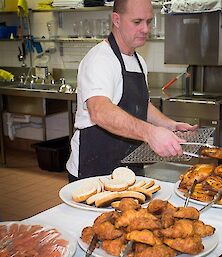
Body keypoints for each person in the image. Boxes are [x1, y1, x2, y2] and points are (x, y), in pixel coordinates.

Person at [66, 0, 197, 182]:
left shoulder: (138, 61)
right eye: (137, 22)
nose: (145, 29)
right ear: (116, 20)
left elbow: (141, 105)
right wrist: (150, 133)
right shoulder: (100, 60)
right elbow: (99, 111)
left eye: (148, 22)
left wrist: (169, 125)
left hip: (129, 168)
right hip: (95, 170)